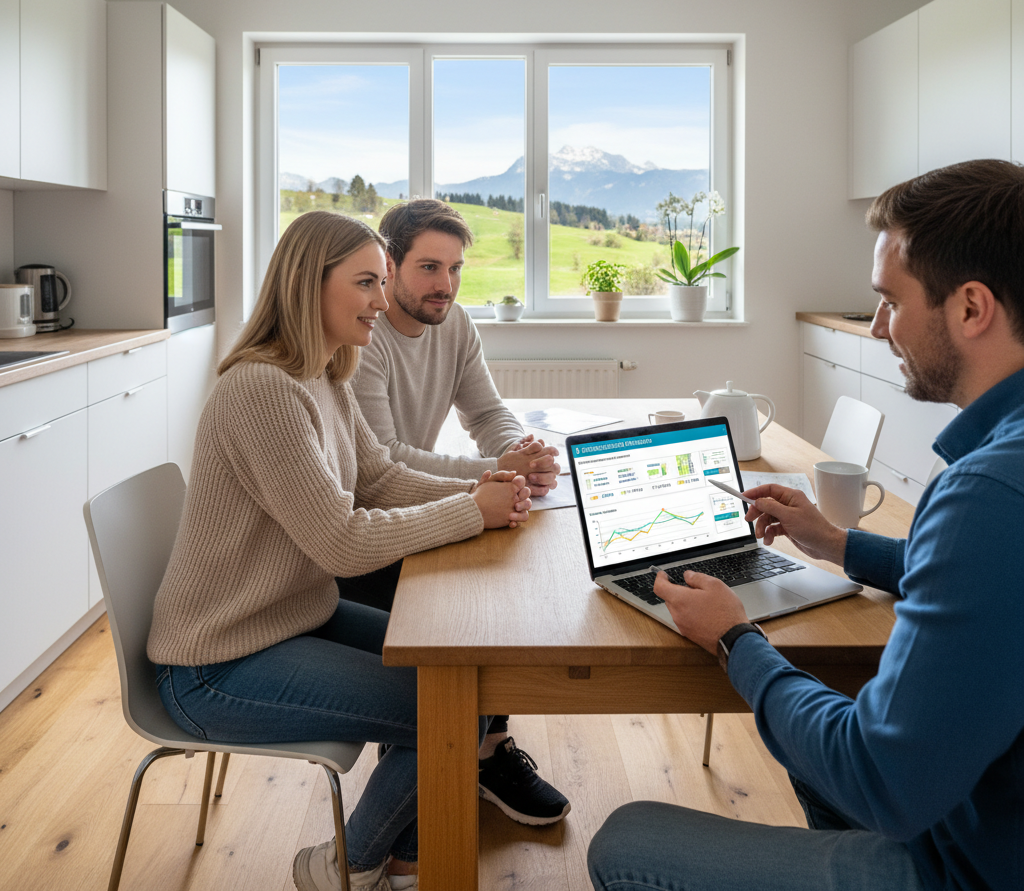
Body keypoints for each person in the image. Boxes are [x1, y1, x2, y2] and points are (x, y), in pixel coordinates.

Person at [587, 158, 1024, 891]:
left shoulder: (986, 493)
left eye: (889, 301)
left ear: (971, 308)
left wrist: (736, 641)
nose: (879, 326)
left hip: (971, 869)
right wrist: (838, 544)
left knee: (623, 842)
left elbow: (880, 780)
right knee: (825, 720)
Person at [147, 211, 531, 891]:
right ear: (306, 285)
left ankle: (407, 863)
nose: (383, 302)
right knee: (448, 709)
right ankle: (347, 866)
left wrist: (488, 482)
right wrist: (471, 513)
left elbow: (379, 477)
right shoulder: (262, 389)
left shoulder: (325, 370)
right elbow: (343, 540)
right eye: (365, 284)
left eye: (382, 283)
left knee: (468, 677)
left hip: (295, 613)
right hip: (217, 659)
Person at [345, 198, 571, 826]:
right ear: (388, 266)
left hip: (420, 508)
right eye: (428, 268)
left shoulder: (457, 324)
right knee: (479, 612)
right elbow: (383, 464)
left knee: (500, 588)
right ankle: (452, 751)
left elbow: (486, 413)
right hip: (369, 534)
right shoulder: (363, 335)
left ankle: (481, 750)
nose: (445, 285)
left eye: (455, 268)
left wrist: (517, 449)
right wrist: (496, 475)